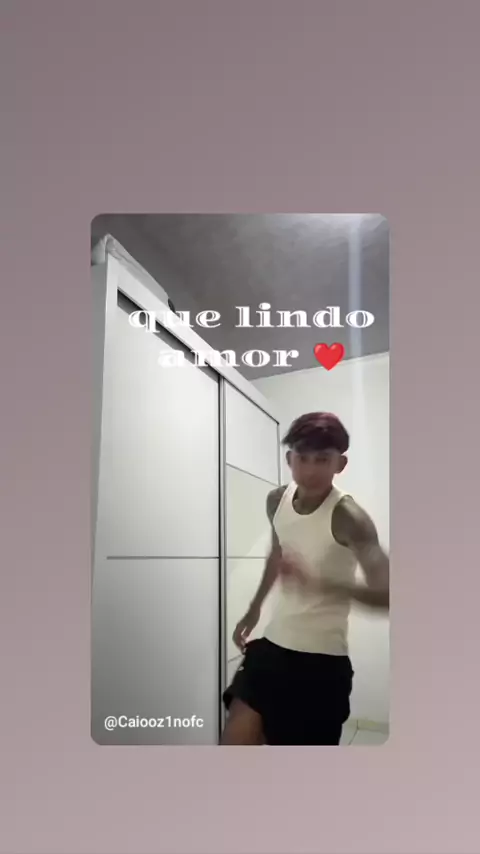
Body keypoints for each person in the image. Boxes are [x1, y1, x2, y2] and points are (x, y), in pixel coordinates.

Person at [220, 411, 389, 746]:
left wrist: (321, 583)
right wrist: (254, 609)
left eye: (322, 459)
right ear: (289, 459)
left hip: (321, 663)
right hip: (272, 647)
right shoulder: (276, 501)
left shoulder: (350, 517)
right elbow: (277, 553)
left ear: (340, 464)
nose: (310, 470)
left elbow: (387, 595)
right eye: (302, 458)